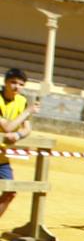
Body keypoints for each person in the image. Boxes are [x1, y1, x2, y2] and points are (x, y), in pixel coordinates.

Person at [0, 67, 44, 229]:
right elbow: (8, 127)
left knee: (10, 191)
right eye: (13, 82)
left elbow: (27, 129)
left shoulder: (22, 101)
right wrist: (28, 112)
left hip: (2, 156)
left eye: (21, 84)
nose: (17, 87)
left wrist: (18, 136)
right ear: (5, 83)